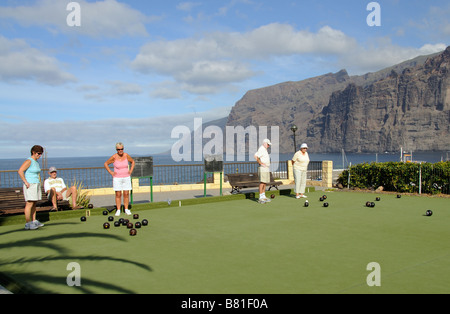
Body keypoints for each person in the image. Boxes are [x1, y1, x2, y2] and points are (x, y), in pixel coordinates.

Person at [18, 145, 45, 230]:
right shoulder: (29, 161)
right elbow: (20, 171)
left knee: (34, 203)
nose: (40, 155)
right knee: (29, 204)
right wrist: (25, 182)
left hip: (36, 183)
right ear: (33, 152)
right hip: (30, 184)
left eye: (41, 154)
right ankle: (28, 223)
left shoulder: (36, 162)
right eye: (39, 153)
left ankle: (34, 221)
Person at [104, 142, 135, 216]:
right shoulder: (114, 157)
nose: (120, 151)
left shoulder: (126, 155)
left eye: (122, 149)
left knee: (126, 194)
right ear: (116, 149)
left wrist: (130, 171)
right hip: (117, 178)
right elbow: (106, 164)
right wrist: (110, 172)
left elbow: (133, 162)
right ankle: (118, 210)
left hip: (126, 177)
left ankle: (126, 209)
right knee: (118, 194)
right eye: (118, 149)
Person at [254, 139, 272, 204]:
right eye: (268, 144)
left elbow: (255, 155)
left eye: (269, 145)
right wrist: (261, 163)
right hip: (263, 168)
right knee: (262, 182)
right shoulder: (261, 149)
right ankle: (260, 197)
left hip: (266, 168)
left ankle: (263, 196)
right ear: (264, 143)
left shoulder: (264, 149)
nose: (268, 146)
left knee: (264, 182)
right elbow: (256, 157)